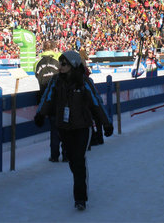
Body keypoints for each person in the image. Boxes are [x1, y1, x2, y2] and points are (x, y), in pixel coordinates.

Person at [34, 50, 114, 211]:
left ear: (73, 65)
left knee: (78, 160)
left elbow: (96, 103)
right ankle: (80, 183)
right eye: (60, 63)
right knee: (71, 159)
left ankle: (80, 198)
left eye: (64, 63)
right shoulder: (56, 81)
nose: (60, 66)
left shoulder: (84, 82)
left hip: (82, 127)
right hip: (64, 127)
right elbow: (47, 99)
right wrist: (40, 114)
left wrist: (106, 123)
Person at [34, 41, 66, 162]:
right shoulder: (60, 58)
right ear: (54, 48)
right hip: (61, 98)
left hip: (46, 98)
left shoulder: (37, 62)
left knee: (54, 128)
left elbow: (37, 76)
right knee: (64, 127)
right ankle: (66, 154)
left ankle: (54, 155)